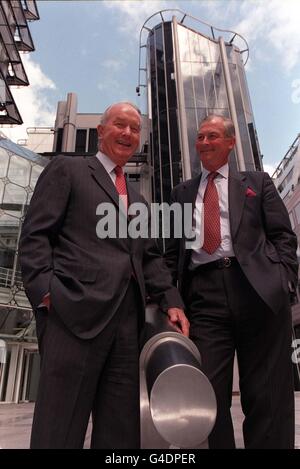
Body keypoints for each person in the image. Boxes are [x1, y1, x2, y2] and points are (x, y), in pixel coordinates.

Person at [19, 102, 189, 449]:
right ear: (101, 131)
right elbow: (36, 236)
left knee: (120, 431)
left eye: (134, 129)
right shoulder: (68, 170)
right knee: (60, 428)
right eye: (119, 125)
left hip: (127, 327)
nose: (127, 133)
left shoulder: (140, 199)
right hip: (73, 316)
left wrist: (172, 302)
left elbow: (150, 258)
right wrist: (46, 294)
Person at [165, 114, 298, 449]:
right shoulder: (180, 193)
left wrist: (283, 280)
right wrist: (172, 300)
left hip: (258, 290)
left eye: (213, 136)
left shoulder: (257, 182)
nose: (205, 143)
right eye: (200, 137)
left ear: (230, 142)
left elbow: (283, 236)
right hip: (204, 296)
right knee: (205, 389)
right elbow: (170, 253)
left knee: (267, 391)